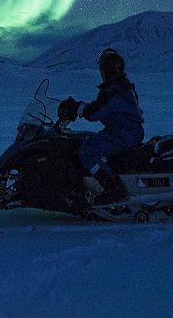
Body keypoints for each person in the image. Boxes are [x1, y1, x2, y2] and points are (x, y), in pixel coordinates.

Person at [58, 48, 144, 206]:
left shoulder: (113, 90)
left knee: (88, 150)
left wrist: (76, 108)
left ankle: (114, 188)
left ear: (106, 70)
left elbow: (96, 112)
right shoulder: (123, 86)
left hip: (123, 132)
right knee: (90, 140)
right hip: (127, 130)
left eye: (102, 70)